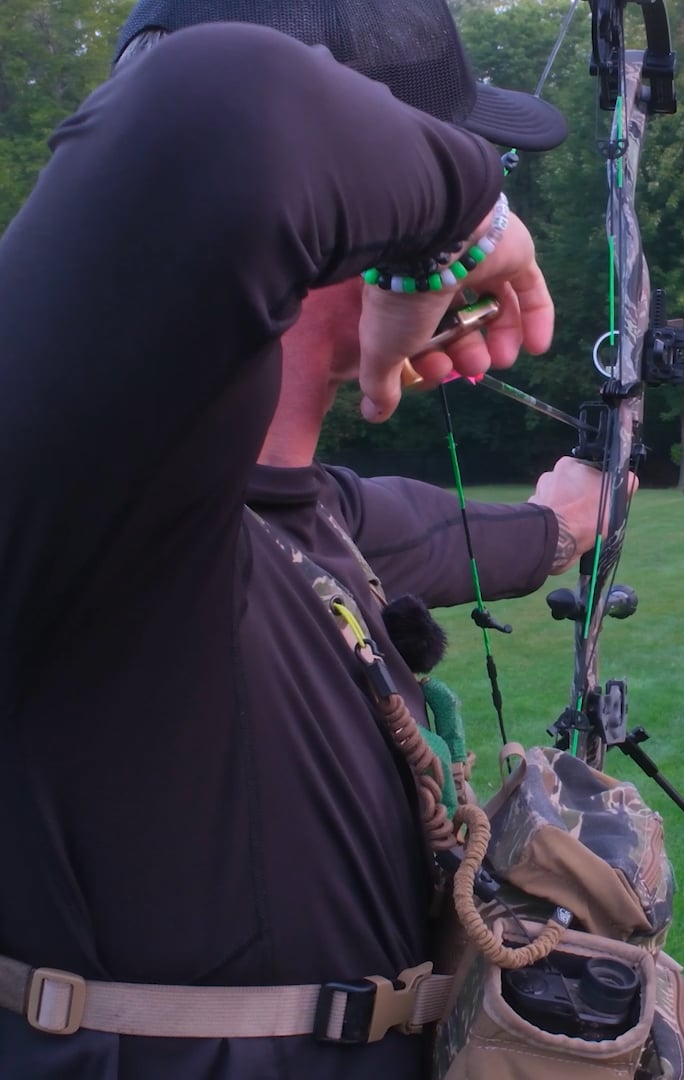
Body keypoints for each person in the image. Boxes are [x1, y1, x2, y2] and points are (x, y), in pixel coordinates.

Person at [0, 1, 601, 1075]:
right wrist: (455, 229)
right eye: (450, 159)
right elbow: (220, 112)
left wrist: (564, 524)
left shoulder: (301, 510)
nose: (482, 200)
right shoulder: (109, 511)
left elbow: (434, 530)